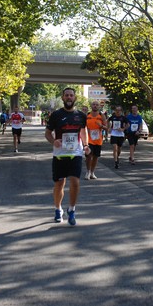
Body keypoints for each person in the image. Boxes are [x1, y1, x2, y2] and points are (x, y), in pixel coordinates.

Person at [45, 87, 90, 225]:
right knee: (59, 184)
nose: (69, 97)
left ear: (75, 98)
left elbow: (83, 131)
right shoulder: (56, 115)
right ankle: (58, 209)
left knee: (75, 182)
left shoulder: (81, 116)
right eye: (66, 95)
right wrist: (54, 141)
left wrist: (86, 145)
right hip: (59, 154)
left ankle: (72, 209)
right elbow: (47, 133)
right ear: (62, 98)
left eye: (71, 95)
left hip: (75, 153)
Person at [85, 100, 107, 180]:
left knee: (95, 157)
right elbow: (83, 127)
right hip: (89, 139)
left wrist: (101, 126)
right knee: (88, 156)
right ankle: (87, 171)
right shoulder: (87, 115)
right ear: (91, 106)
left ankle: (92, 172)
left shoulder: (102, 115)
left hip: (98, 140)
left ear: (99, 106)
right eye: (93, 104)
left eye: (96, 105)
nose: (95, 106)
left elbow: (107, 127)